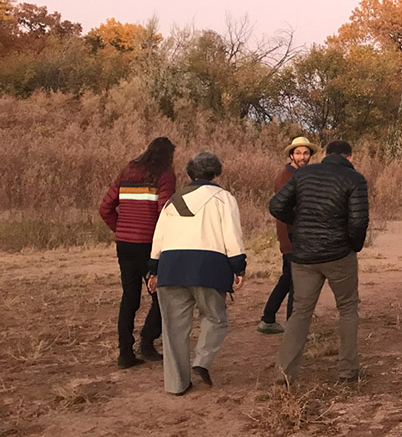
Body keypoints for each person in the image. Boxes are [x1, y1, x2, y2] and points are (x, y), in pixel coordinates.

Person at [146, 152, 247, 395]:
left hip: (170, 266)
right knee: (215, 318)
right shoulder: (223, 198)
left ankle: (176, 385)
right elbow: (231, 235)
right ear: (216, 173)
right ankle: (201, 361)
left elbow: (158, 237)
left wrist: (153, 269)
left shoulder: (172, 200)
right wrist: (238, 265)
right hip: (209, 266)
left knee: (173, 330)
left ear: (190, 173)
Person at [269, 140, 369, 385]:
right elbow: (358, 222)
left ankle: (284, 373)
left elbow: (276, 205)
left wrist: (299, 225)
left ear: (325, 154)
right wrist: (352, 246)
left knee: (301, 312)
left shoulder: (303, 174)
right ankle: (348, 370)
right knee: (347, 309)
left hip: (303, 255)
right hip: (338, 254)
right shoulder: (354, 179)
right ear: (350, 157)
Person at [99, 136, 176, 368]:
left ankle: (125, 353)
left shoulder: (127, 172)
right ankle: (147, 341)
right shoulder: (164, 176)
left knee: (129, 297)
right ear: (168, 156)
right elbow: (164, 212)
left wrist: (121, 228)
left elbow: (105, 207)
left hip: (125, 244)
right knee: (163, 295)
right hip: (150, 244)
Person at [258, 136, 317, 335]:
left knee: (288, 278)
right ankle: (294, 328)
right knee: (295, 281)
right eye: (299, 153)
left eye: (306, 153)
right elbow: (281, 213)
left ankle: (268, 318)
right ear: (291, 154)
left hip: (299, 236)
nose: (302, 156)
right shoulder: (285, 176)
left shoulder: (302, 174)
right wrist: (286, 242)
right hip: (291, 238)